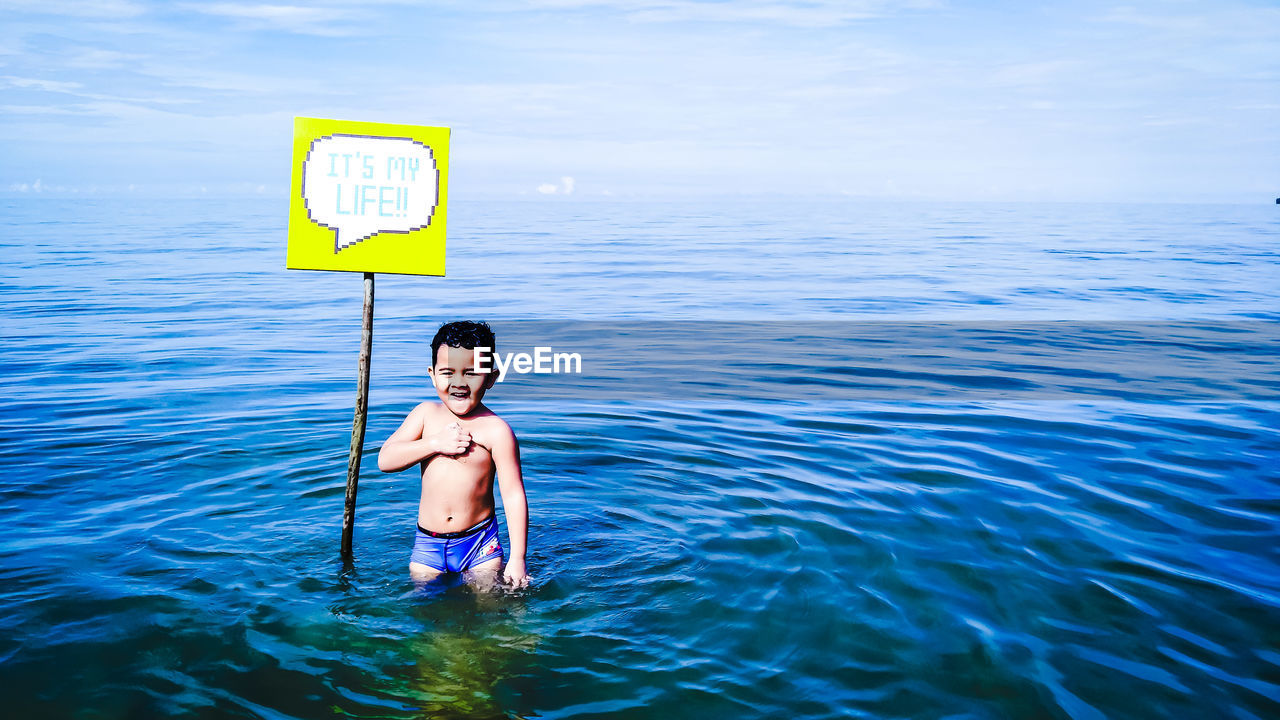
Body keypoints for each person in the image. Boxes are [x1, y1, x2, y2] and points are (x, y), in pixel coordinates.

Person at [377, 320, 531, 589]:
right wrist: (435, 443)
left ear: (491, 378)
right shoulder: (425, 415)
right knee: (426, 610)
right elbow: (386, 460)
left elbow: (513, 495)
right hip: (428, 543)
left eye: (471, 373)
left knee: (489, 610)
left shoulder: (497, 431)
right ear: (432, 373)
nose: (458, 382)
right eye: (448, 372)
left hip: (480, 542)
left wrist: (518, 558)